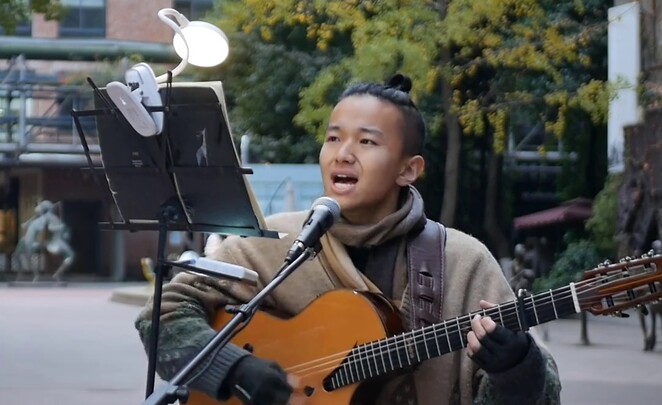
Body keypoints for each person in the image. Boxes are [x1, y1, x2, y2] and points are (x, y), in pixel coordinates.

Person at [135, 74, 561, 404]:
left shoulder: (464, 262)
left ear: (408, 169)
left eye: (367, 142)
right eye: (333, 137)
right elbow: (161, 317)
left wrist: (517, 369)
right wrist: (234, 370)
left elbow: (539, 392)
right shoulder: (267, 240)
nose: (343, 153)